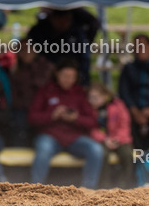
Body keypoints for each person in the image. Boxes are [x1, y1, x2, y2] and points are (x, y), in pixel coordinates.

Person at [28, 60, 104, 189]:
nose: (68, 79)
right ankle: (35, 189)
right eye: (65, 75)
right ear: (57, 74)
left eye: (72, 77)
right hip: (50, 135)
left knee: (96, 149)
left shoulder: (80, 93)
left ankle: (88, 191)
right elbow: (32, 118)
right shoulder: (45, 90)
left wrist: (76, 118)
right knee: (43, 149)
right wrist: (52, 115)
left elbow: (92, 122)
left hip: (75, 137)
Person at [118, 34, 149, 149]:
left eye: (142, 46)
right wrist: (135, 112)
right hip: (134, 112)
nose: (139, 50)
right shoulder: (129, 69)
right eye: (136, 47)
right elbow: (124, 92)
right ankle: (137, 164)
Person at [87, 82, 134, 188]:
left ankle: (125, 186)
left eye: (95, 98)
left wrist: (117, 139)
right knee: (101, 154)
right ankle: (104, 187)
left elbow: (125, 124)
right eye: (90, 98)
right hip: (101, 140)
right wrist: (105, 139)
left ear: (105, 96)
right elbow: (91, 129)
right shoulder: (89, 109)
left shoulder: (118, 105)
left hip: (120, 139)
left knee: (127, 154)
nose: (91, 101)